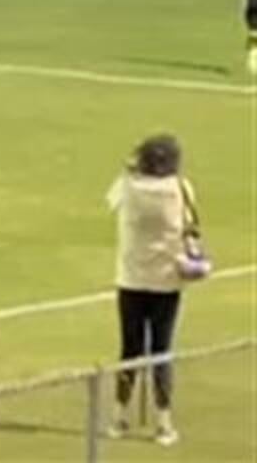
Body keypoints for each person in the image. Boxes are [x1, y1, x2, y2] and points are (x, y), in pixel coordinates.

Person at [105, 134, 204, 446]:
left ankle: (119, 417)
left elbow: (111, 200)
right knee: (162, 350)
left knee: (130, 349)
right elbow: (192, 226)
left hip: (131, 280)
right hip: (166, 282)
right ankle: (164, 423)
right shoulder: (180, 188)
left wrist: (129, 170)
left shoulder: (128, 187)